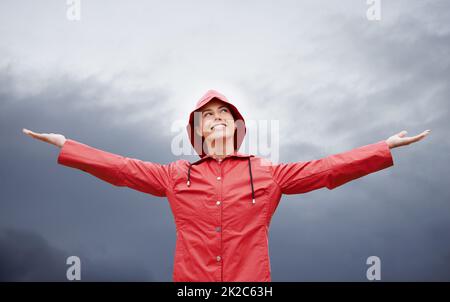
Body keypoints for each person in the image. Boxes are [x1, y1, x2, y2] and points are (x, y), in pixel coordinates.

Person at [22, 89, 430, 282]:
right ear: (197, 130)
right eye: (208, 114)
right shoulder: (175, 176)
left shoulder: (268, 173)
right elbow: (122, 168)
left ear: (235, 127)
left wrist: (382, 148)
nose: (217, 117)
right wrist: (68, 145)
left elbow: (326, 169)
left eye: (224, 113)